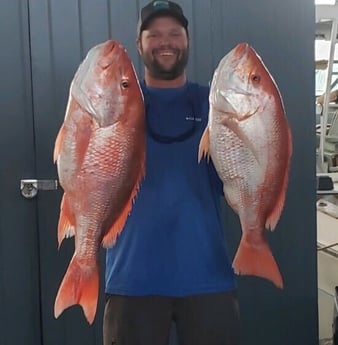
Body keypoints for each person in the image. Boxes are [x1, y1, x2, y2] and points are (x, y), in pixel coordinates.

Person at [103, 1, 240, 344]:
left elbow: (242, 172)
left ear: (187, 40)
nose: (166, 42)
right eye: (155, 35)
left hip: (207, 278)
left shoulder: (215, 105)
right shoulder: (114, 105)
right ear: (140, 44)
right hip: (132, 279)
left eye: (174, 34)